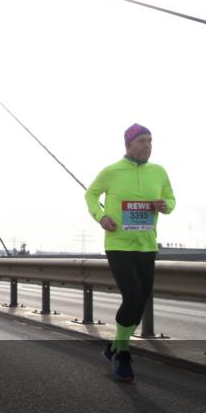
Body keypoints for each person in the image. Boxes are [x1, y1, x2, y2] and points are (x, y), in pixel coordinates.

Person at [85, 124, 175, 382]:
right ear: (128, 145)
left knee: (140, 302)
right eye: (142, 140)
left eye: (150, 141)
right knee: (134, 297)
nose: (148, 145)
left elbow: (171, 199)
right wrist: (101, 217)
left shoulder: (159, 171)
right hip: (119, 245)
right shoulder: (111, 171)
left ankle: (113, 346)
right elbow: (91, 195)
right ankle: (122, 355)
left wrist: (165, 205)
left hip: (147, 245)